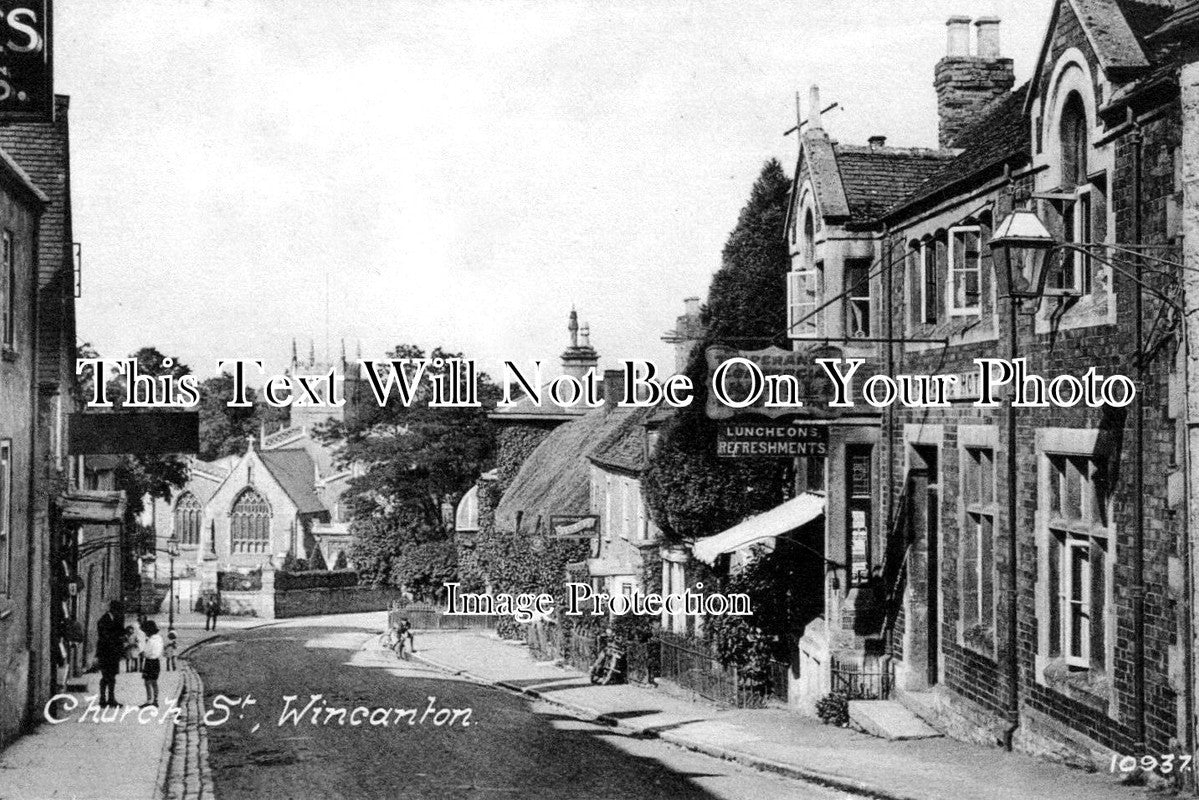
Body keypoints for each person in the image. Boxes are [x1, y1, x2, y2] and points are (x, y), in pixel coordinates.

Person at [96, 601, 125, 708]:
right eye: (118, 611)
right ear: (114, 610)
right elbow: (105, 637)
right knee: (105, 677)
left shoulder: (117, 619)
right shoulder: (103, 620)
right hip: (105, 653)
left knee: (112, 677)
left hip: (114, 653)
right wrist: (117, 638)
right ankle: (103, 699)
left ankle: (111, 699)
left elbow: (119, 632)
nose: (120, 613)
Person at [141, 620, 163, 707]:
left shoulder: (150, 641)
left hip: (149, 662)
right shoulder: (159, 638)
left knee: (147, 682)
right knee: (154, 681)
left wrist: (142, 653)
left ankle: (149, 700)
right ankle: (156, 700)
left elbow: (146, 653)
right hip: (156, 662)